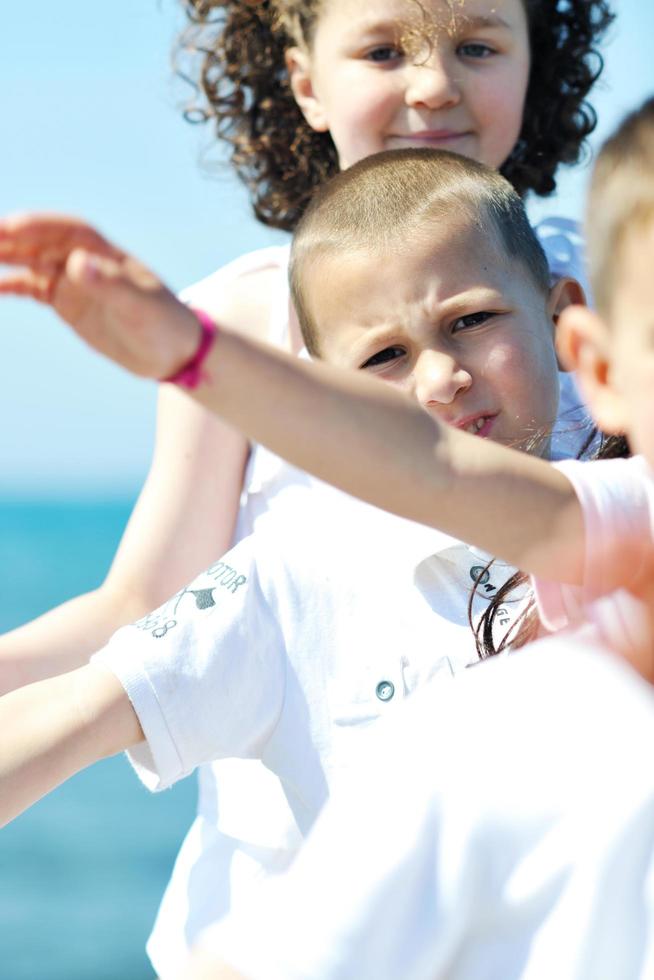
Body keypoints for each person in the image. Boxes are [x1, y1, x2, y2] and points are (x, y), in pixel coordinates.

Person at [0, 0, 614, 970]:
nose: (434, 83)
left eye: (478, 45)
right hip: (295, 897)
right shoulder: (234, 321)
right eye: (383, 49)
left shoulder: (609, 285)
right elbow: (141, 602)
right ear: (303, 81)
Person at [170, 96, 654, 980]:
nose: (439, 377)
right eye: (383, 358)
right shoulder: (492, 714)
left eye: (472, 321)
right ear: (602, 364)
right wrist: (186, 353)